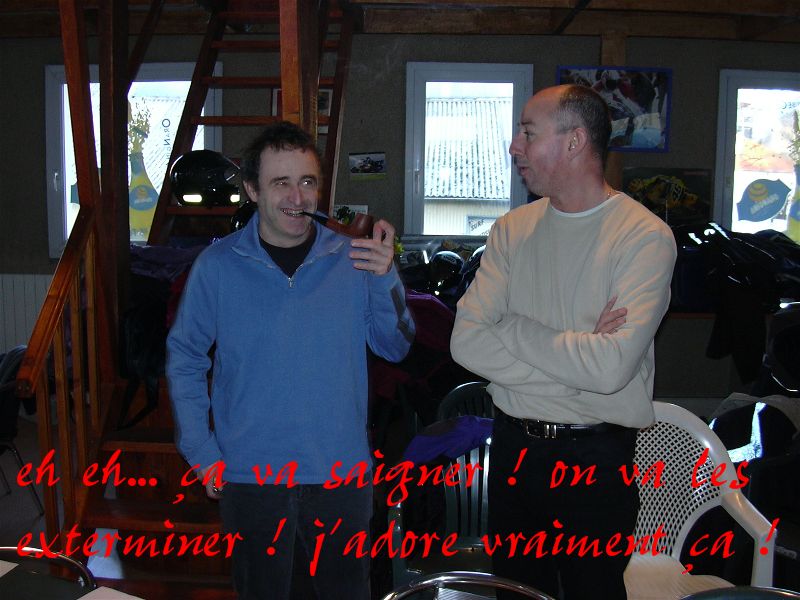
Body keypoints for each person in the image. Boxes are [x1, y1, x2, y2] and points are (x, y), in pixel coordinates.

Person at [166, 121, 415, 599]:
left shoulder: (355, 259)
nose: (297, 197)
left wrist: (386, 277)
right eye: (281, 182)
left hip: (340, 475)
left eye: (307, 182)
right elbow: (185, 358)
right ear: (252, 190)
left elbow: (396, 345)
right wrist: (202, 452)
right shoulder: (216, 267)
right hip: (250, 476)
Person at [450, 84, 677, 599]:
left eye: (528, 133)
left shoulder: (643, 236)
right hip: (513, 451)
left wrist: (513, 328)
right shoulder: (511, 230)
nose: (515, 146)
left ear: (575, 141)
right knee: (515, 592)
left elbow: (610, 370)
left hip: (595, 460)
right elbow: (466, 344)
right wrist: (580, 355)